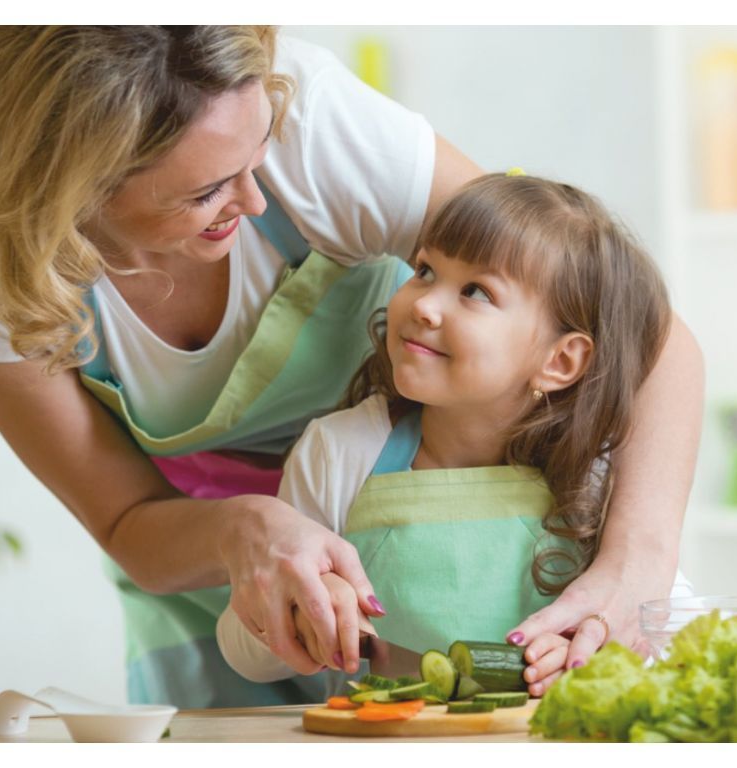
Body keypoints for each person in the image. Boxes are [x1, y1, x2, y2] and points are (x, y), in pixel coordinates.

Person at [0, 26, 703, 708]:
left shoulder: (310, 124)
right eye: (208, 190)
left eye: (257, 158)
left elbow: (643, 335)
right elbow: (127, 524)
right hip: (205, 583)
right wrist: (251, 528)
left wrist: (636, 571)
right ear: (71, 188)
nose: (255, 204)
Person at [217, 173, 695, 697]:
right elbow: (246, 656)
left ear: (560, 361)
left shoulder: (597, 477)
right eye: (424, 270)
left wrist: (598, 652)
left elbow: (677, 630)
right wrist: (302, 604)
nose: (423, 303)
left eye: (476, 292)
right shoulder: (340, 452)